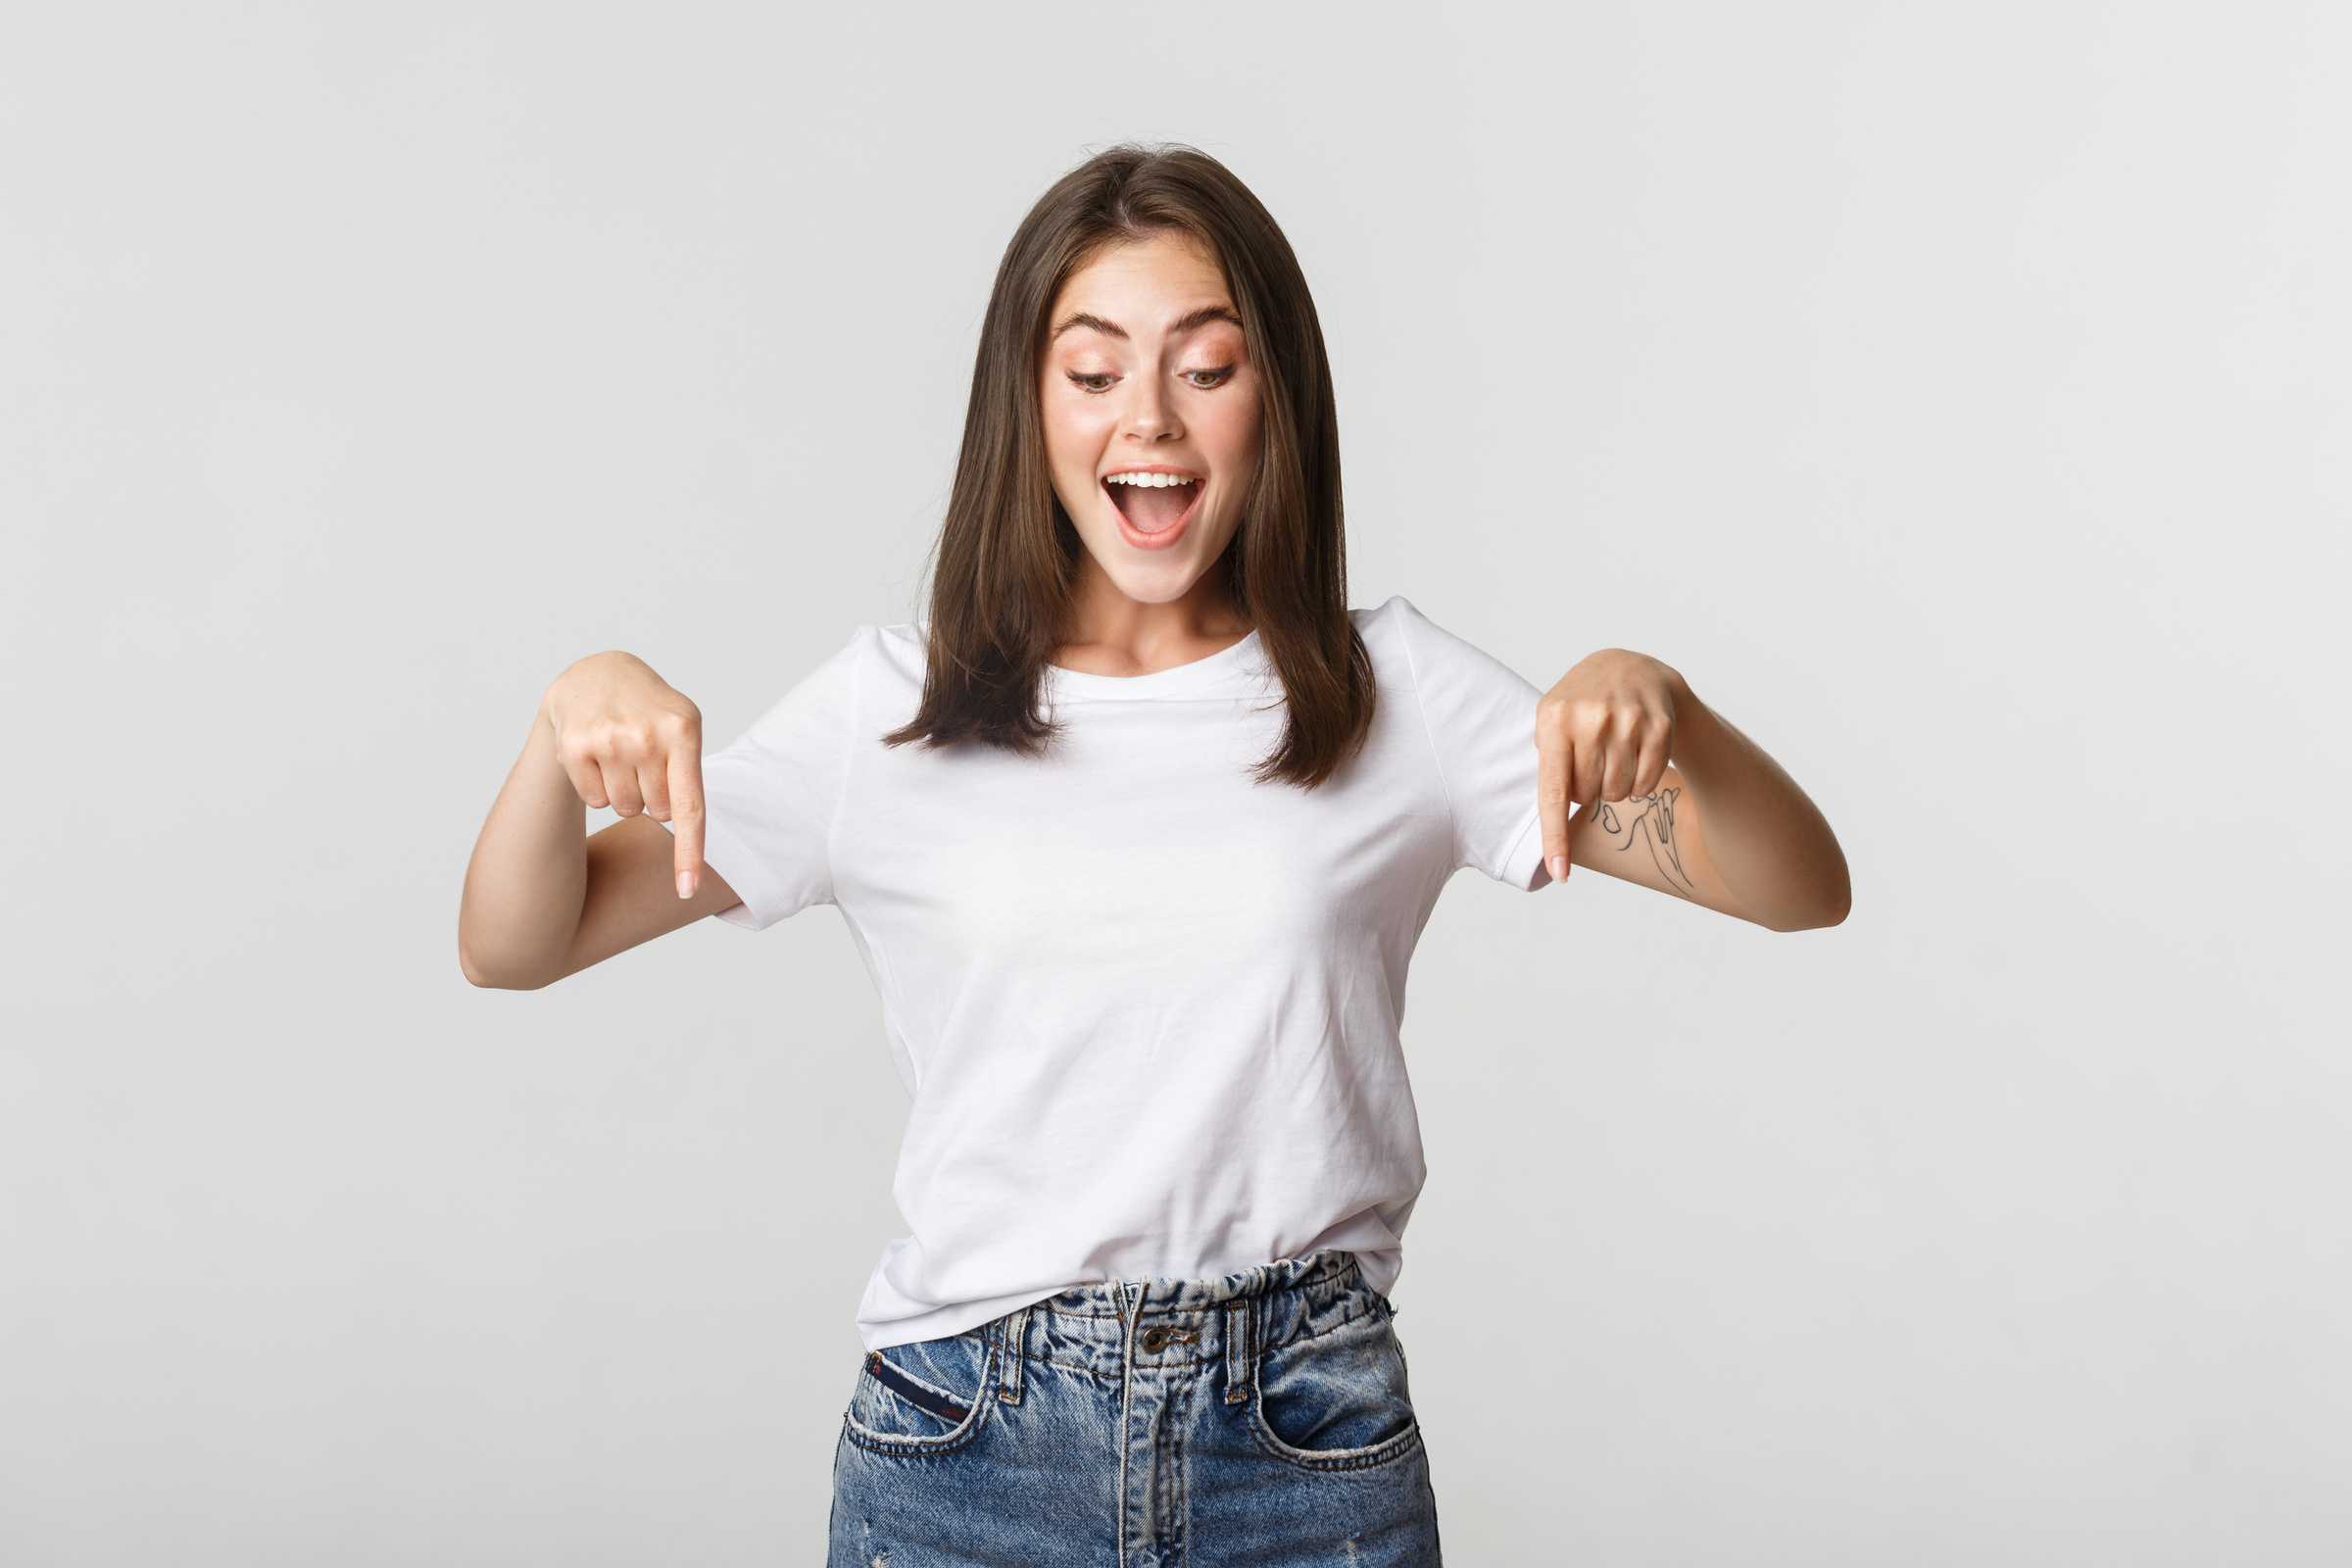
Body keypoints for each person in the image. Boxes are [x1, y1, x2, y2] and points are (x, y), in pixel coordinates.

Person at [459, 144, 1848, 1567]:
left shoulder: (1397, 699)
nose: (1153, 419)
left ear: (1275, 402)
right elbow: (517, 945)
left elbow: (1803, 890)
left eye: (1207, 365)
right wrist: (562, 724)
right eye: (1095, 369)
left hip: (1306, 1449)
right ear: (1032, 406)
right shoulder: (892, 713)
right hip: (967, 1458)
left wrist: (1670, 701)